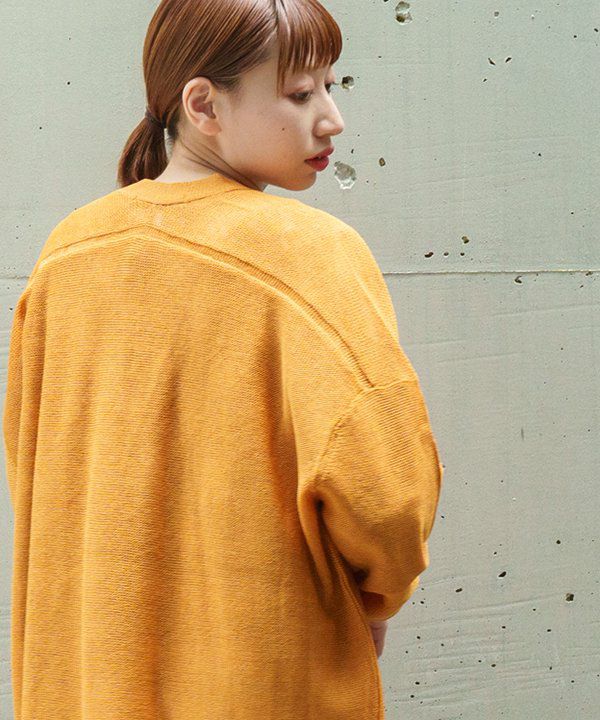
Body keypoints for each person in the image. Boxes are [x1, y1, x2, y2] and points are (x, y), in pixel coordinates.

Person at [3, 1, 443, 718]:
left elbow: (35, 474)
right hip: (258, 683)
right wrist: (378, 596)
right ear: (204, 104)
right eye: (299, 94)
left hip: (84, 681)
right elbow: (385, 494)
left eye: (331, 87)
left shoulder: (68, 256)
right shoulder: (308, 255)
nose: (331, 119)